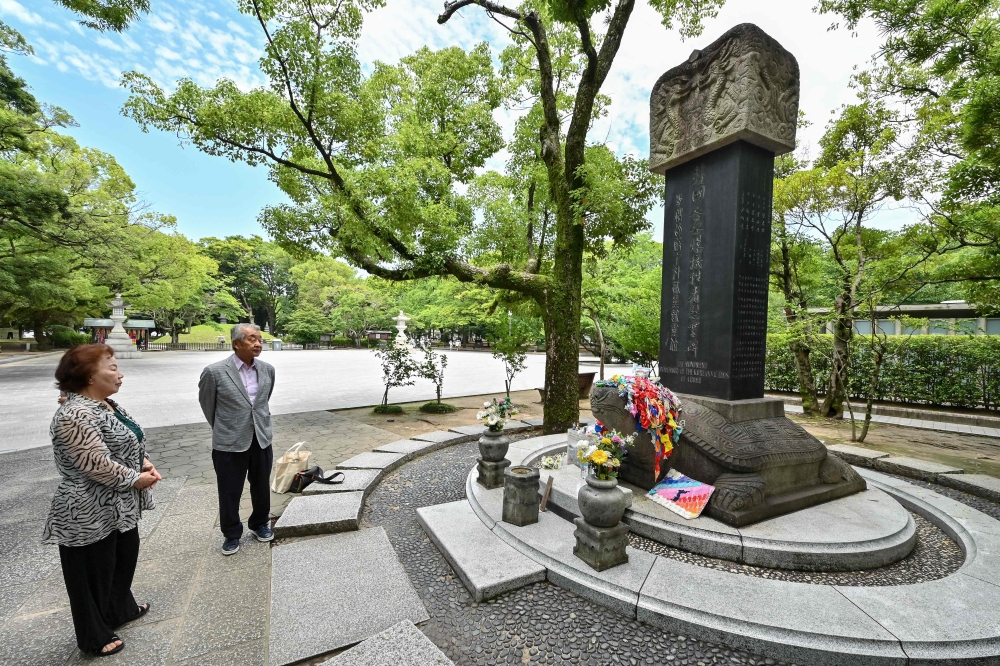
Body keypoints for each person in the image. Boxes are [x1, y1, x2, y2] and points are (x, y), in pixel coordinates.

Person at [43, 344, 161, 657]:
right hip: (87, 509)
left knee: (122, 560)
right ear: (88, 376)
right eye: (111, 367)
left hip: (118, 504)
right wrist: (136, 478)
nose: (119, 373)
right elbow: (96, 463)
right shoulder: (74, 414)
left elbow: (128, 438)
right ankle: (93, 636)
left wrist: (144, 461)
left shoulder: (106, 405)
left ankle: (120, 609)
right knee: (91, 573)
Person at [198, 323, 276, 555]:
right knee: (230, 489)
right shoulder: (214, 371)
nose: (258, 344)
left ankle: (260, 523)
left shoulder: (268, 369)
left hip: (261, 438)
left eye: (260, 339)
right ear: (236, 343)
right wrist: (226, 427)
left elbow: (262, 403)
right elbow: (207, 405)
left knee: (261, 485)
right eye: (252, 339)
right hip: (229, 441)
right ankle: (231, 533)